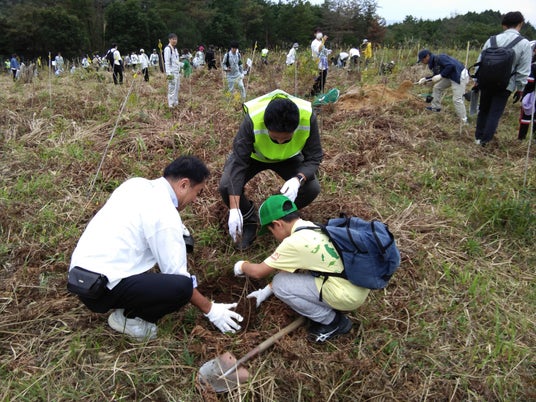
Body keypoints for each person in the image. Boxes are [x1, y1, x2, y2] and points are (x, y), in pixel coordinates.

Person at [69, 156, 243, 341]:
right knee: (181, 288)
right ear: (184, 184)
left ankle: (127, 300)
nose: (195, 199)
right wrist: (211, 310)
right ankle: (129, 319)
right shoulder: (165, 215)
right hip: (101, 291)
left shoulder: (136, 184)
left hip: (80, 277)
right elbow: (179, 277)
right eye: (197, 192)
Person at [233, 194, 369, 343]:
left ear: (277, 224)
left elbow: (258, 272)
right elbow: (291, 267)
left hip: (346, 296)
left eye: (271, 231)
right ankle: (332, 303)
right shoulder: (313, 227)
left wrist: (240, 266)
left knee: (279, 284)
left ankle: (333, 322)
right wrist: (265, 292)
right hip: (358, 285)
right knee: (283, 281)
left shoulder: (293, 242)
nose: (273, 236)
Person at [218, 89, 323, 250]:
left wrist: (298, 179)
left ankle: (275, 214)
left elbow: (314, 156)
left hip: (289, 158)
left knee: (311, 189)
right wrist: (235, 208)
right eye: (274, 138)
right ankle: (249, 220)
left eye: (286, 139)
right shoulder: (253, 119)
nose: (280, 142)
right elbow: (238, 164)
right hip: (254, 157)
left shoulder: (307, 117)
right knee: (227, 185)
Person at [474, 11, 532, 147]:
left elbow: (480, 62)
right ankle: (485, 141)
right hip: (506, 84)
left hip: (486, 81)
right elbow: (523, 70)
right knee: (495, 112)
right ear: (520, 24)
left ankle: (478, 138)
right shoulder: (524, 43)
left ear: (503, 25)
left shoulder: (492, 40)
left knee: (483, 110)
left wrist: (477, 80)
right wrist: (520, 88)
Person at [417, 49, 470, 123]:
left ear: (427, 56)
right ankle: (436, 108)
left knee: (457, 99)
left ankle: (464, 120)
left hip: (459, 76)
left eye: (422, 60)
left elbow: (451, 66)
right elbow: (436, 75)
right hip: (450, 76)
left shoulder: (440, 58)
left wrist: (441, 75)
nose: (422, 62)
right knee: (437, 87)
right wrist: (425, 79)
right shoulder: (433, 63)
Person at [518, 40, 536, 140]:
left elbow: (529, 81)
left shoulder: (532, 65)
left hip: (530, 95)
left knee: (526, 116)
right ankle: (533, 138)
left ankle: (521, 138)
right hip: (531, 94)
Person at [310, 28, 331, 96]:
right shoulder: (314, 43)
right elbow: (318, 50)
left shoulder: (320, 42)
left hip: (324, 62)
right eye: (317, 32)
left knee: (323, 78)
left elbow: (323, 50)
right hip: (317, 62)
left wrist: (327, 51)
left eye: (320, 32)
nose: (319, 33)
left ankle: (321, 92)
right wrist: (323, 41)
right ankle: (314, 93)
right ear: (315, 34)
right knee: (318, 78)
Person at [164, 33, 181, 108]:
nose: (175, 41)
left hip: (177, 72)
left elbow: (176, 61)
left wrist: (182, 66)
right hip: (171, 73)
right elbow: (167, 62)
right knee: (172, 89)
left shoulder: (175, 49)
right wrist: (168, 73)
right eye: (173, 39)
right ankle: (170, 105)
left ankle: (175, 103)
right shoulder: (168, 49)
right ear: (169, 40)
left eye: (176, 39)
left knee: (177, 88)